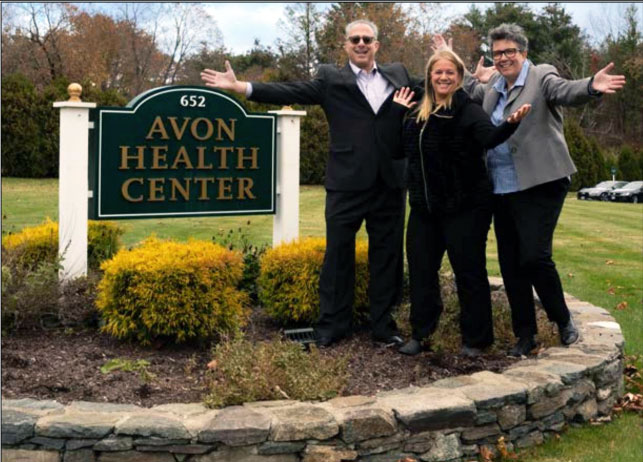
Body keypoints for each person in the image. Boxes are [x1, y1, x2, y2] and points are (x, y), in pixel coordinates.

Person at [201, 19, 421, 347]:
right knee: (337, 256)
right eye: (355, 39)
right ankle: (332, 325)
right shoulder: (331, 79)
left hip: (389, 182)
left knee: (387, 257)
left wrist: (464, 70)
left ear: (376, 44)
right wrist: (241, 87)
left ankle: (383, 326)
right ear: (346, 45)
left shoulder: (399, 75)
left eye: (367, 39)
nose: (361, 44)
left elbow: (438, 82)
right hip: (346, 183)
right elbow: (290, 90)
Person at [461, 23, 626, 356]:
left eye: (510, 51)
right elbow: (473, 93)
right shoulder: (493, 84)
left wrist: (591, 85)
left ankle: (563, 321)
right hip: (500, 186)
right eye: (497, 53)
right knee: (510, 263)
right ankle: (525, 335)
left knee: (534, 255)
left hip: (541, 182)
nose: (503, 58)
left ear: (524, 53)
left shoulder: (542, 77)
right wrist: (457, 67)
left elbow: (565, 90)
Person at [392, 49, 531, 356]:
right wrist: (393, 113)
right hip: (424, 209)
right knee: (421, 272)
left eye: (450, 73)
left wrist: (510, 123)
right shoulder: (417, 113)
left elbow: (490, 139)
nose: (443, 77)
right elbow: (395, 150)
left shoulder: (467, 109)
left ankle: (477, 340)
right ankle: (421, 333)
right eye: (438, 72)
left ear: (458, 78)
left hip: (465, 208)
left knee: (469, 272)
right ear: (430, 76)